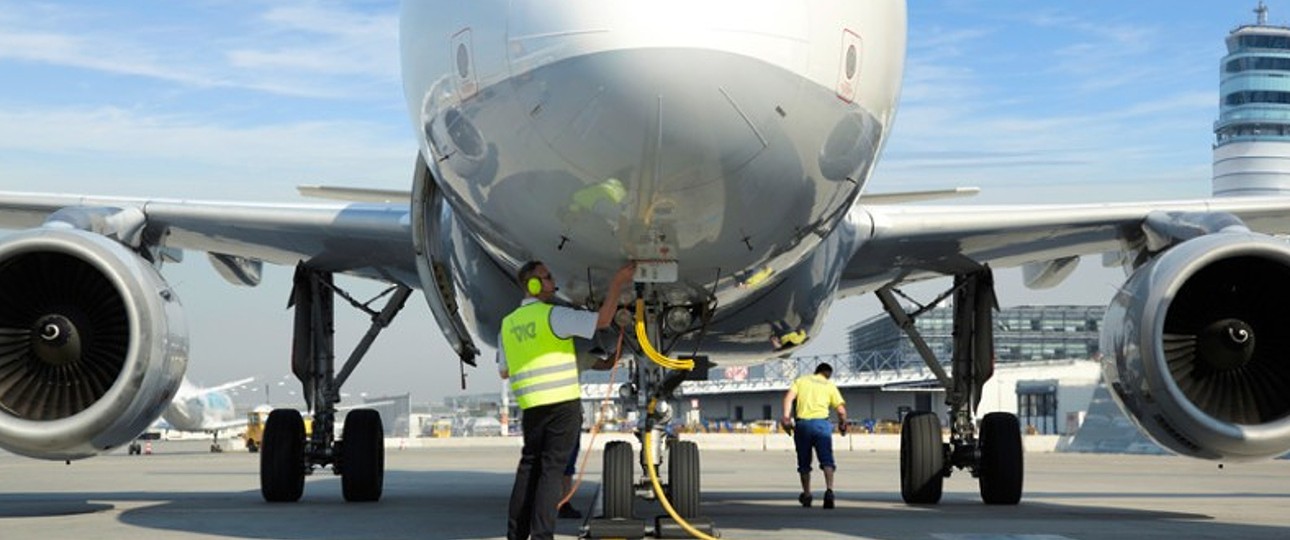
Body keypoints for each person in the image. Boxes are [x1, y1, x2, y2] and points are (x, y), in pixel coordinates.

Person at [499, 260, 635, 540]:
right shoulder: (553, 315)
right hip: (562, 406)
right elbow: (602, 320)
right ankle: (542, 536)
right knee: (551, 472)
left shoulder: (508, 324)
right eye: (547, 277)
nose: (553, 282)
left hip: (531, 407)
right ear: (534, 285)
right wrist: (618, 282)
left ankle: (516, 535)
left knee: (528, 470)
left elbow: (504, 370)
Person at [780, 362, 847, 510]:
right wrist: (843, 424)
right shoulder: (829, 385)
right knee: (827, 460)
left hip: (802, 425)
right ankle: (829, 491)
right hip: (822, 425)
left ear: (816, 371)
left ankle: (807, 494)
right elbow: (841, 411)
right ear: (827, 373)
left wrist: (786, 417)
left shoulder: (801, 381)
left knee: (804, 463)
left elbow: (788, 398)